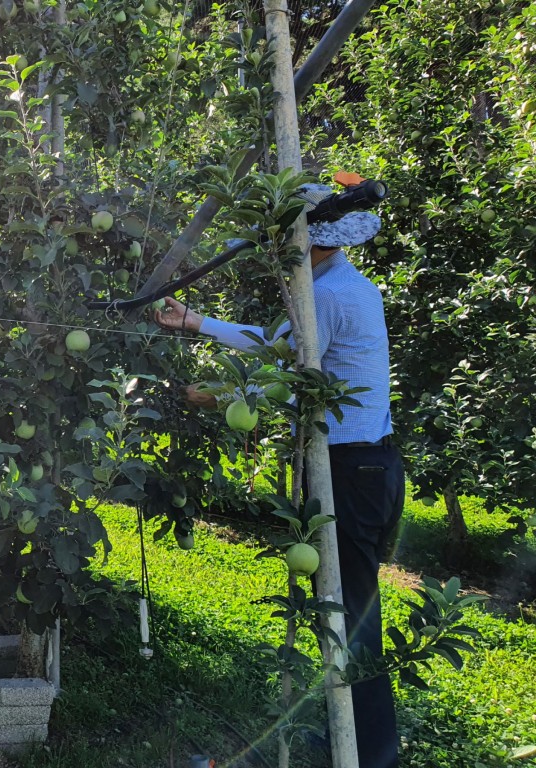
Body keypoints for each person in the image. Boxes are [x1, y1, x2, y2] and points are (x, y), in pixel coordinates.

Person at [154, 184, 405, 768]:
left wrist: (214, 397)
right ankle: (346, 739)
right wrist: (197, 323)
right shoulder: (333, 287)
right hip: (365, 463)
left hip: (350, 467)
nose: (275, 253)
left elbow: (281, 372)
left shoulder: (329, 298)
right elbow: (281, 345)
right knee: (342, 605)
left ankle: (370, 754)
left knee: (352, 614)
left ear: (307, 245)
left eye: (282, 242)